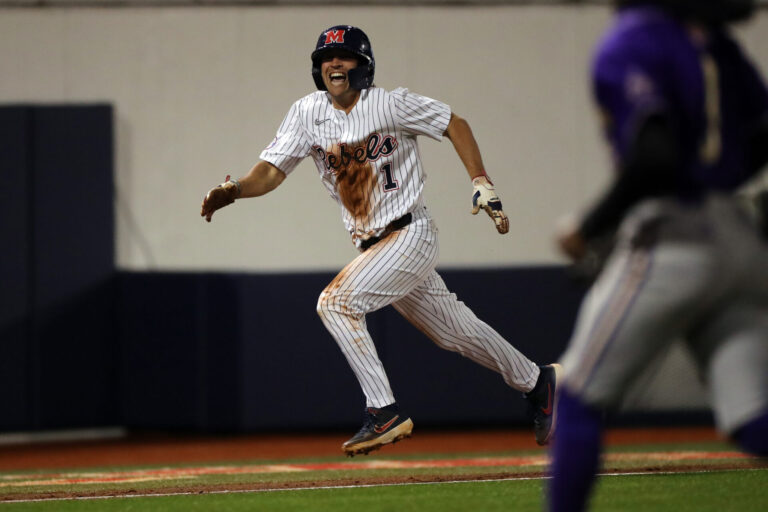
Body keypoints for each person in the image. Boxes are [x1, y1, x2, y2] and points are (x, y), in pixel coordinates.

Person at [201, 25, 561, 456]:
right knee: (454, 332)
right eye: (326, 57)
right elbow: (271, 171)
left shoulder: (390, 103)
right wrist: (236, 189)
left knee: (335, 303)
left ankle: (383, 411)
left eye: (344, 55)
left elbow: (454, 123)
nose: (334, 63)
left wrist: (480, 180)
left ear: (363, 65)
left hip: (411, 232)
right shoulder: (306, 113)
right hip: (376, 248)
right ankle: (538, 382)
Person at [549, 1, 768, 510]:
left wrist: (588, 227)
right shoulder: (719, 44)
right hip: (740, 238)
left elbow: (655, 158)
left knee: (578, 397)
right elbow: (759, 140)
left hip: (674, 235)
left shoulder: (631, 38)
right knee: (754, 422)